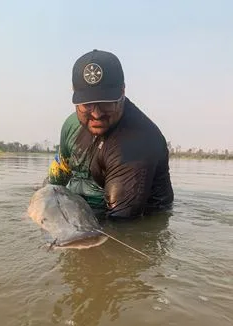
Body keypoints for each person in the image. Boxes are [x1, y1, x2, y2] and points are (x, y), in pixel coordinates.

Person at [48, 49, 174, 219]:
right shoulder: (71, 125)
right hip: (81, 211)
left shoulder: (135, 145)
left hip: (130, 217)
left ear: (123, 91)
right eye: (87, 104)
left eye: (106, 103)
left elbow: (121, 227)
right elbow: (55, 181)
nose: (97, 114)